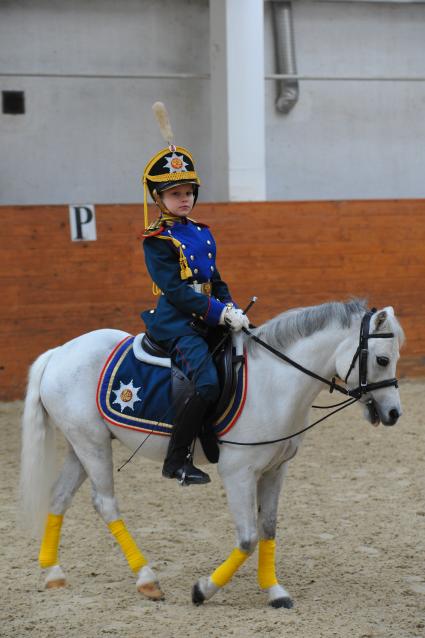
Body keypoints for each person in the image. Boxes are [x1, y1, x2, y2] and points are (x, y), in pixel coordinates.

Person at [141, 143, 249, 485]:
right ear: (159, 199)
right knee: (205, 383)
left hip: (209, 316)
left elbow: (215, 279)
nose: (184, 199)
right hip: (178, 323)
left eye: (188, 192)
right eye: (174, 194)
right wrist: (218, 314)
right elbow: (175, 291)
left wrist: (231, 308)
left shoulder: (202, 232)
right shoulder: (157, 240)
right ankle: (176, 460)